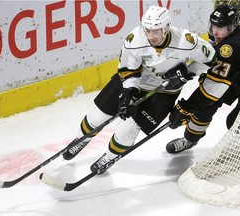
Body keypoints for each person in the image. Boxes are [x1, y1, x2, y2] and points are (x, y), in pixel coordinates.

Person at [63, 5, 216, 174]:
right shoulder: (135, 39)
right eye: (148, 30)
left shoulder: (186, 41)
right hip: (138, 81)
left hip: (164, 91)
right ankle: (80, 140)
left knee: (129, 129)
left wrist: (187, 72)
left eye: (156, 31)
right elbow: (128, 70)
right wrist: (129, 92)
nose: (151, 36)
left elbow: (210, 58)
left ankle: (109, 156)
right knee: (98, 115)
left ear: (166, 28)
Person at [165, 4, 240, 154]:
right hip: (238, 75)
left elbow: (211, 90)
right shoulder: (228, 33)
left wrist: (186, 108)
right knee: (205, 107)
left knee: (235, 122)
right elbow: (213, 60)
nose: (214, 31)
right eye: (213, 25)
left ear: (232, 27)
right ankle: (190, 140)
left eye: (220, 28)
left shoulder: (232, 48)